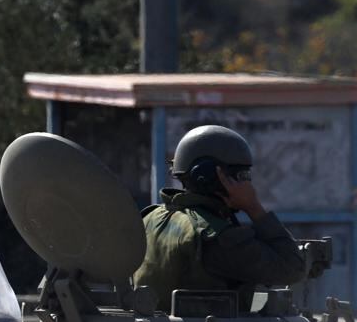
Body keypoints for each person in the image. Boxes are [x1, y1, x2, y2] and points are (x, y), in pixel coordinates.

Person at [132, 125, 308, 310]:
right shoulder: (215, 236)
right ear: (208, 176)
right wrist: (253, 208)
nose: (246, 184)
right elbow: (292, 268)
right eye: (241, 176)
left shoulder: (149, 218)